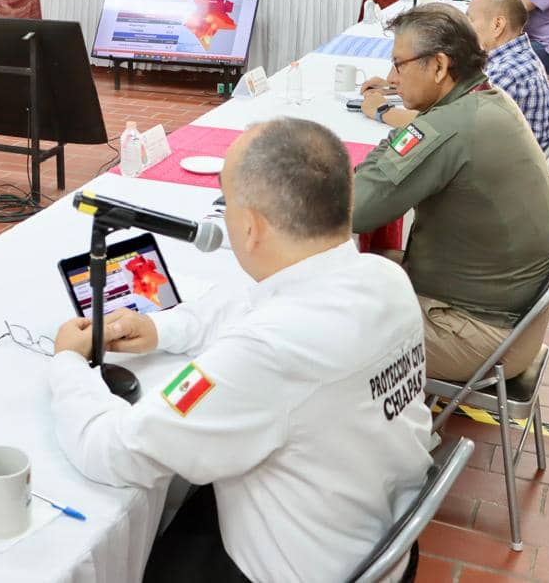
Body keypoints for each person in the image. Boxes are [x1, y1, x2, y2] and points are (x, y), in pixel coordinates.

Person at [50, 119, 433, 582]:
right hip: (373, 536)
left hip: (297, 565)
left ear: (250, 227)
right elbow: (251, 310)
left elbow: (113, 451)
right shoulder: (382, 278)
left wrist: (68, 363)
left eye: (226, 204)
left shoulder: (269, 351)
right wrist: (158, 328)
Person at [352, 3, 549, 382]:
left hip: (485, 335)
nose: (392, 78)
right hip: (509, 313)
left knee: (323, 324)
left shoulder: (448, 126)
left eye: (400, 64)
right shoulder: (483, 98)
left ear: (439, 66)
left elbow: (358, 209)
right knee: (361, 270)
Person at [360, 0, 549, 149]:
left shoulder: (505, 74)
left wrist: (381, 110)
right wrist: (398, 83)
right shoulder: (515, 56)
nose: (464, 29)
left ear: (497, 25)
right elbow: (457, 90)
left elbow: (439, 125)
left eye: (470, 20)